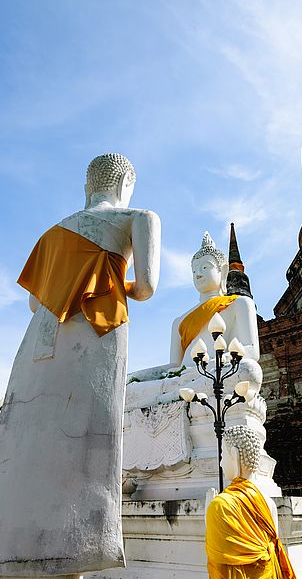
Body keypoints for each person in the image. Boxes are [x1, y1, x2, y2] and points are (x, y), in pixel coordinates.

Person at [0, 153, 160, 577]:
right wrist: (104, 279)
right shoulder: (139, 217)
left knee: (29, 443)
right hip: (95, 329)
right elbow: (145, 288)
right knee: (83, 445)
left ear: (88, 185)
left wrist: (75, 276)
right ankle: (75, 553)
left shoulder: (52, 232)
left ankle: (20, 551)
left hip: (39, 338)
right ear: (126, 183)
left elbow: (36, 301)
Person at [125, 232, 262, 410]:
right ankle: (175, 395)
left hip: (215, 372)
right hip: (184, 378)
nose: (198, 274)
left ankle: (174, 397)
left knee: (249, 371)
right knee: (127, 389)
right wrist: (134, 377)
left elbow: (251, 351)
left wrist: (218, 363)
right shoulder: (179, 321)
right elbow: (174, 367)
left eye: (205, 267)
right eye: (195, 270)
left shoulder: (239, 303)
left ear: (223, 271)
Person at [205, 425, 297, 579]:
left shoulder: (221, 504)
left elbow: (219, 553)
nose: (221, 463)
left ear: (234, 455)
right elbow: (273, 550)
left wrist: (209, 511)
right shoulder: (270, 504)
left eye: (223, 456)